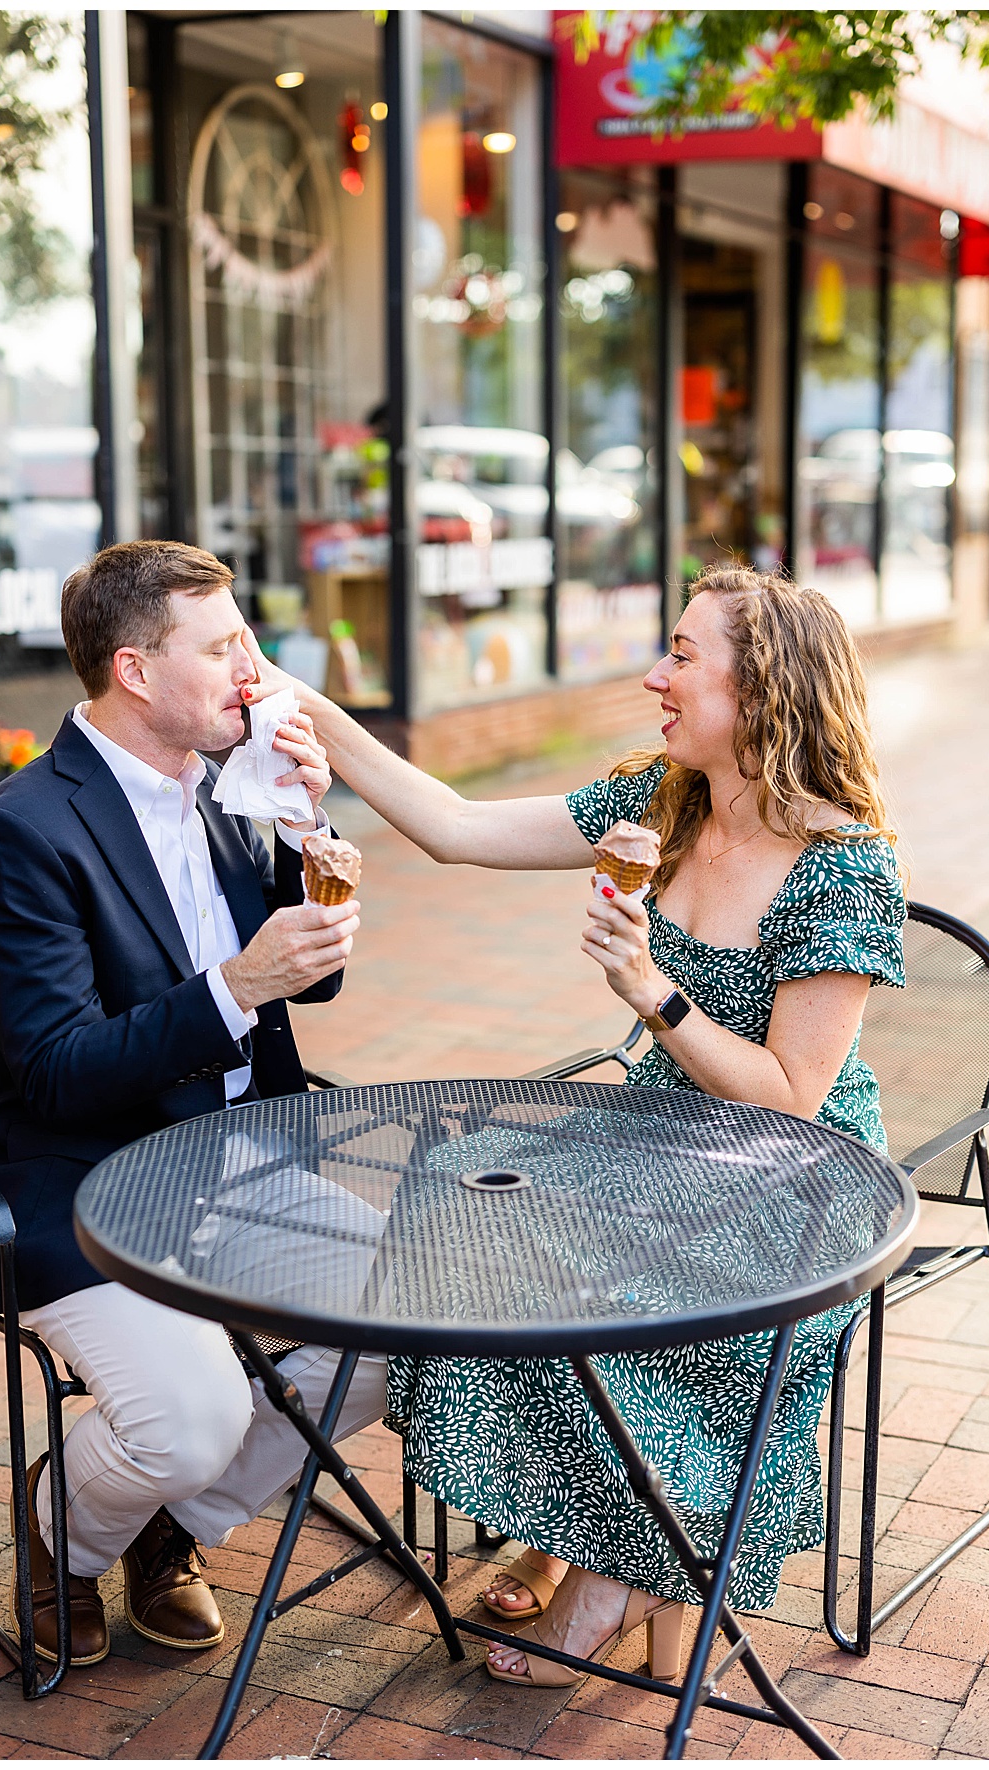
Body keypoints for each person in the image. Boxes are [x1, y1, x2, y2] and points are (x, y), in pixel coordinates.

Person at [246, 565, 904, 1691]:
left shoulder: (844, 868)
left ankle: (625, 1571)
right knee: (462, 1200)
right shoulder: (664, 803)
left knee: (609, 1282)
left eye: (683, 656)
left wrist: (653, 992)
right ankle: (583, 1524)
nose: (654, 676)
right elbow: (455, 826)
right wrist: (304, 706)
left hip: (791, 1173)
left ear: (762, 690)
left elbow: (794, 1092)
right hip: (657, 1132)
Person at [0, 540, 369, 1666]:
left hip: (238, 1160)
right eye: (224, 646)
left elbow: (311, 981)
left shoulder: (232, 789)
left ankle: (161, 1522)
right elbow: (54, 1070)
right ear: (134, 671)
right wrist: (237, 984)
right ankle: (62, 1531)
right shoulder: (22, 830)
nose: (255, 668)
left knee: (413, 1324)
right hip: (81, 1188)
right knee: (192, 1421)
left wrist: (303, 830)